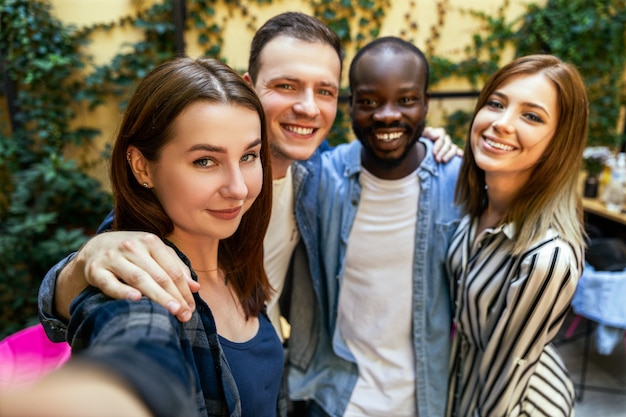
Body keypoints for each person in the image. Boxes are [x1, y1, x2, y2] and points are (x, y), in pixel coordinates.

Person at [39, 12, 457, 341]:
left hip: (270, 371)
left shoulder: (318, 175)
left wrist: (420, 140)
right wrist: (82, 263)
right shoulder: (188, 193)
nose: (309, 108)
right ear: (248, 88)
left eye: (324, 91)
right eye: (287, 86)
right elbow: (115, 259)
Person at [2, 57, 284, 417]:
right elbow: (136, 355)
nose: (238, 188)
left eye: (249, 155)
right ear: (141, 167)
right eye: (205, 161)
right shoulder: (137, 278)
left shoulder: (231, 248)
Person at [285, 36, 463, 417]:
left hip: (424, 400)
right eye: (368, 101)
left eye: (406, 100)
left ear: (426, 104)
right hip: (334, 396)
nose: (386, 115)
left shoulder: (458, 182)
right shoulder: (319, 180)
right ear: (349, 107)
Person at [445, 54, 587, 417]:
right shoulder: (482, 205)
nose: (501, 124)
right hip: (464, 383)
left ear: (559, 142)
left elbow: (507, 376)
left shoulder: (547, 258)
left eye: (531, 116)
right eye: (496, 104)